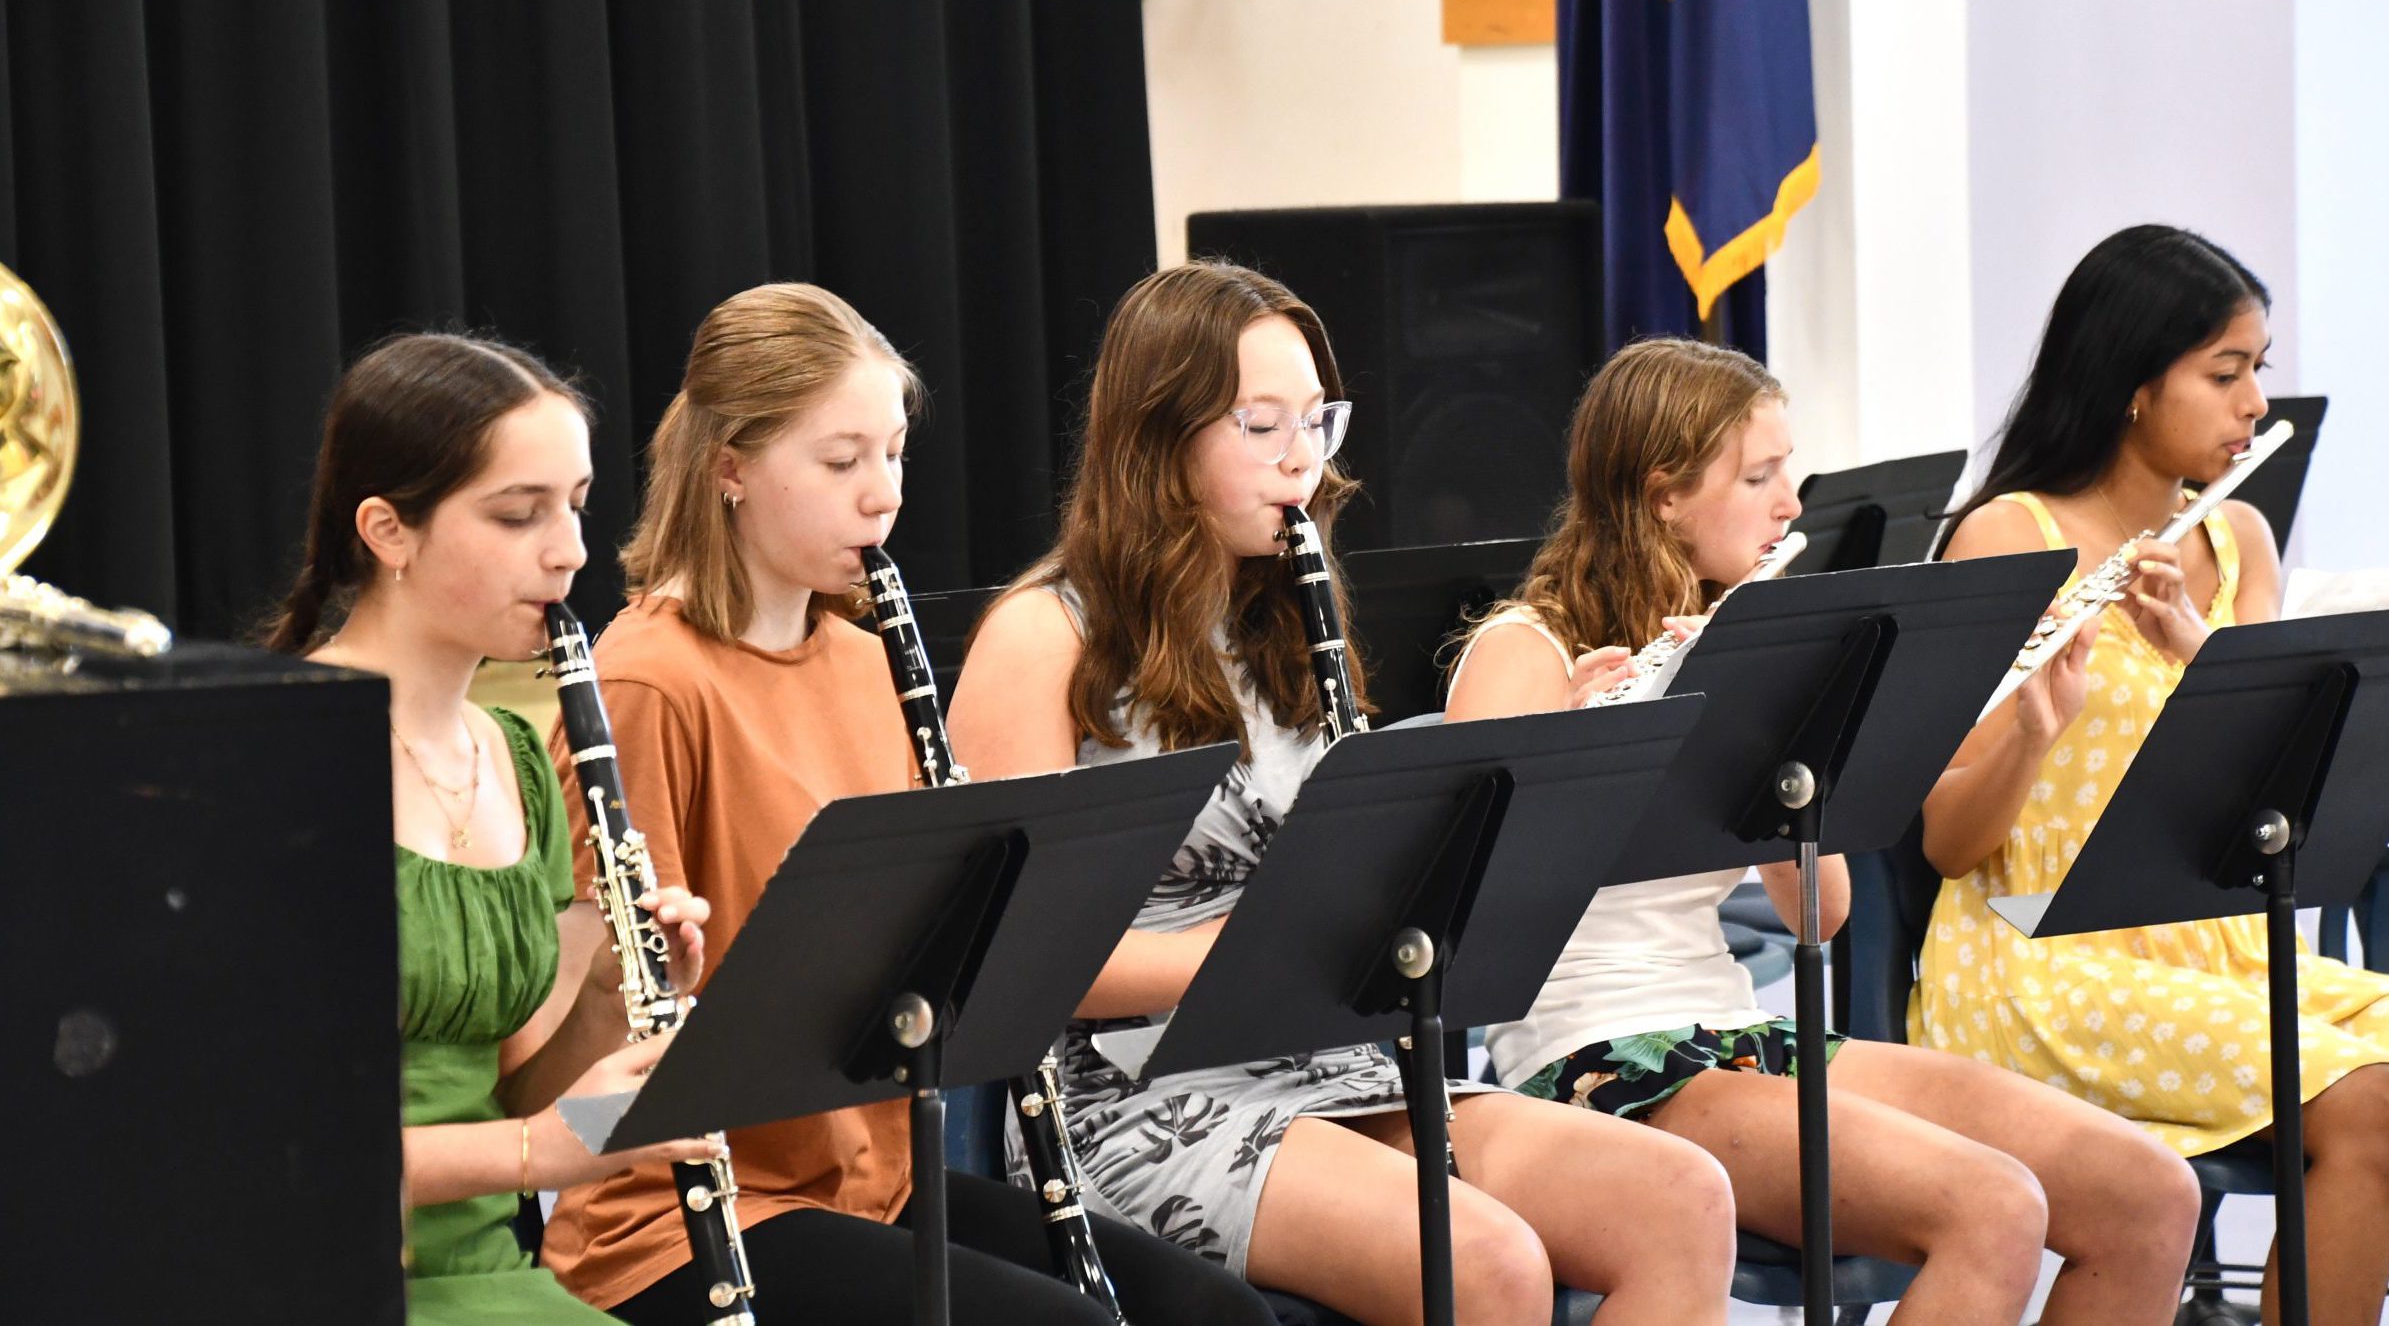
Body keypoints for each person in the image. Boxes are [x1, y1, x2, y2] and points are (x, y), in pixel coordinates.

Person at [949, 263, 1739, 1326]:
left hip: (1328, 1060)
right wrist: (1256, 945)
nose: (1300, 462)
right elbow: (1004, 960)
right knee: (1489, 1263)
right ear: (1156, 439)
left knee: (1678, 1197)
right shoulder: (1045, 638)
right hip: (1136, 1098)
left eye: (1316, 422)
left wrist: (1546, 756)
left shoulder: (1285, 620)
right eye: (1261, 426)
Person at [538, 282, 1275, 1326]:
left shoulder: (866, 657)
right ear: (729, 468)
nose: (881, 493)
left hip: (867, 1177)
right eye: (840, 461)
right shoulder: (650, 680)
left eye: (892, 454)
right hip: (686, 1207)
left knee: (1215, 1313)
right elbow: (604, 1022)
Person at [1444, 334, 2200, 1324]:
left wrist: (1774, 726)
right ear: (1665, 495)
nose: (1790, 505)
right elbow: (1461, 917)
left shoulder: (1732, 632)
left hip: (1741, 1030)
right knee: (1992, 1207)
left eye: (1785, 473)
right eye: (1758, 475)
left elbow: (1824, 914)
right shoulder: (1522, 649)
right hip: (1599, 1054)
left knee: (2144, 1191)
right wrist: (1593, 748)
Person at [1919, 225, 2389, 1324]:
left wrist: (2202, 664)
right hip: (2040, 960)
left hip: (2214, 949)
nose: (2254, 407)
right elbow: (1944, 839)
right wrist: (2035, 727)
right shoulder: (2011, 539)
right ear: (2133, 384)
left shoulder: (2238, 544)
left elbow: (2277, 795)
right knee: (2368, 1100)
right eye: (2223, 375)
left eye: (2257, 371)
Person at [262, 333, 718, 1325]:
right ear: (388, 530)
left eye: (577, 505)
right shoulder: (278, 759)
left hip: (497, 1282)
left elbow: (514, 1099)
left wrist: (603, 1009)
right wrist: (545, 1150)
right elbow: (265, 1148)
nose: (570, 550)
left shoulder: (514, 753)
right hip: (324, 1280)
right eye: (519, 514)